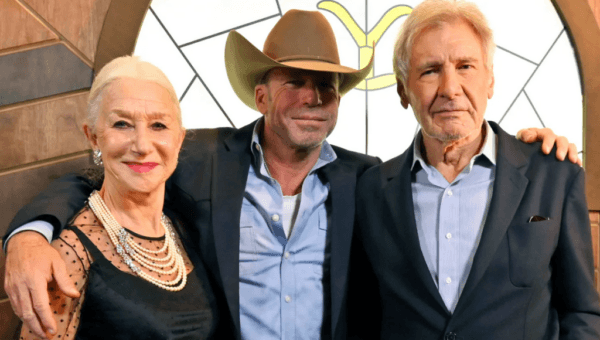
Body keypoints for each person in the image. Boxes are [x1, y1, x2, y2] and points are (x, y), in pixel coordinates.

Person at [3, 9, 580, 340]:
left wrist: (533, 143)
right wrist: (30, 233)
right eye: (295, 81)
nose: (313, 96)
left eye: (326, 85)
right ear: (260, 94)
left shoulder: (369, 181)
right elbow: (106, 172)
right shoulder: (197, 156)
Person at [352, 0, 600, 339]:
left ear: (491, 82)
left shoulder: (554, 175)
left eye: (465, 66)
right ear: (402, 90)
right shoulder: (371, 191)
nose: (450, 89)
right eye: (430, 70)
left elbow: (581, 313)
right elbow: (363, 317)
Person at [13, 56, 226, 339]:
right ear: (93, 136)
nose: (141, 145)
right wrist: (25, 238)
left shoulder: (184, 224)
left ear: (179, 138)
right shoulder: (70, 252)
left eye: (159, 126)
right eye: (122, 124)